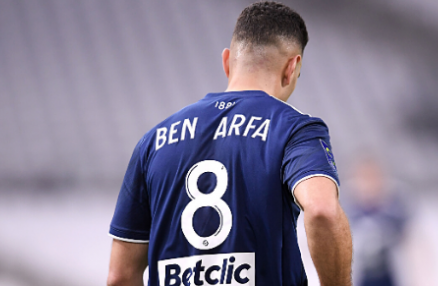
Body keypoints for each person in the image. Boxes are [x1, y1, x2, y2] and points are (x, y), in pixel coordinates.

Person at [106, 2, 352, 286]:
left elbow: (120, 276)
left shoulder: (153, 141)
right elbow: (322, 211)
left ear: (227, 62)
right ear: (291, 68)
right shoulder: (295, 129)